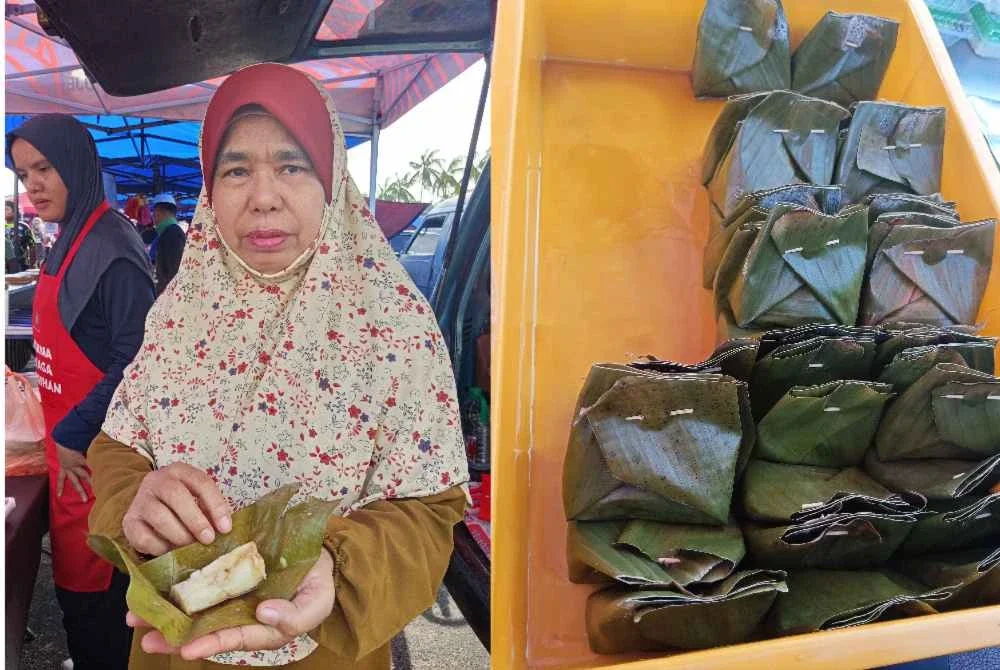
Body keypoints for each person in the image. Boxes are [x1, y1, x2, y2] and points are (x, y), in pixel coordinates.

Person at [87, 62, 470, 669]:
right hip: (173, 650)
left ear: (331, 178)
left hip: (324, 650)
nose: (263, 197)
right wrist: (136, 498)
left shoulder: (395, 329)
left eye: (292, 165)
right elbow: (117, 446)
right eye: (236, 170)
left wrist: (335, 568)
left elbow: (428, 509)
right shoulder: (181, 312)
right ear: (211, 191)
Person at [7, 115, 156, 670]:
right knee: (76, 594)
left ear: (75, 164)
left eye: (44, 168)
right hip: (66, 456)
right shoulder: (68, 237)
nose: (34, 185)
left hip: (97, 459)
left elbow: (140, 357)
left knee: (100, 600)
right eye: (24, 174)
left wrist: (72, 432)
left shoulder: (111, 244)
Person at [148, 192, 186, 294]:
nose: (154, 219)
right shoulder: (168, 232)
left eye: (155, 214)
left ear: (161, 212)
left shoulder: (173, 234)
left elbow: (175, 271)